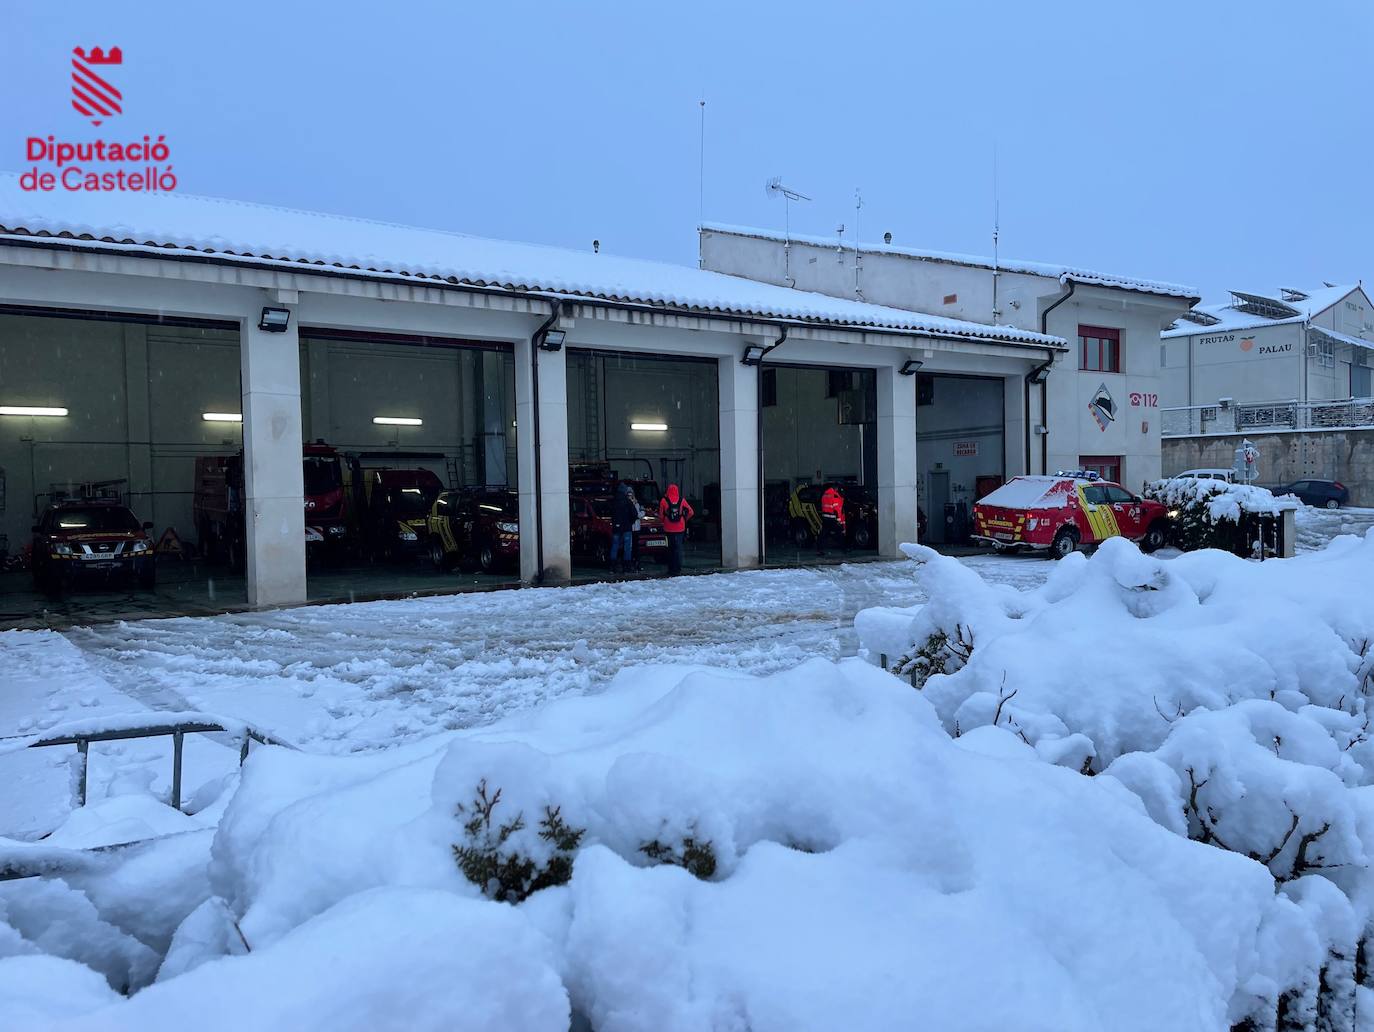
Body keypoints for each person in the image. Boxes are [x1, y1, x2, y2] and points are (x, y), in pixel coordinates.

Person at [658, 483, 695, 576]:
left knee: (670, 548)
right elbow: (691, 512)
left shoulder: (663, 500)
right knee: (678, 548)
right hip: (680, 528)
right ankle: (678, 568)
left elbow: (661, 515)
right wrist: (684, 519)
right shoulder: (682, 500)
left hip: (668, 528)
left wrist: (664, 520)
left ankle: (671, 568)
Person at [610, 482, 637, 575]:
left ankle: (613, 566)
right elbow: (634, 514)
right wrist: (630, 522)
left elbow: (610, 514)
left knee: (615, 546)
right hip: (626, 528)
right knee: (627, 548)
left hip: (616, 528)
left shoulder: (614, 501)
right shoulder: (628, 501)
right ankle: (627, 567)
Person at [817, 484, 847, 556]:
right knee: (840, 533)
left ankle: (819, 549)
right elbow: (837, 510)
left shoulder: (825, 494)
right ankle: (844, 549)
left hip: (825, 518)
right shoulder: (834, 496)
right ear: (836, 489)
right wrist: (839, 521)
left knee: (823, 534)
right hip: (833, 518)